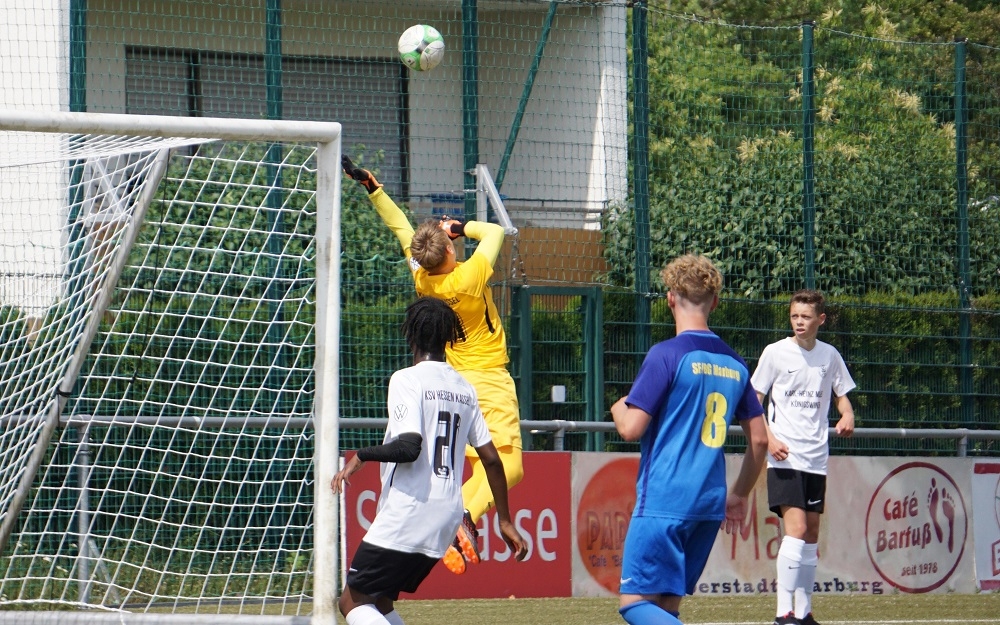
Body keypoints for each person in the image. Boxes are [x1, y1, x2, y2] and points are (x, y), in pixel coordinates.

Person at [342, 156, 523, 575]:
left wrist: (373, 188)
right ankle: (465, 515)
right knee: (509, 466)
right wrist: (460, 226)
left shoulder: (422, 278)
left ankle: (460, 516)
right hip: (488, 378)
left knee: (478, 465)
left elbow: (400, 229)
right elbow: (495, 231)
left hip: (454, 382)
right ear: (451, 250)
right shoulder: (469, 277)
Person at [331, 297, 528, 625]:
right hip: (446, 518)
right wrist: (504, 521)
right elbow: (493, 461)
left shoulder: (407, 379)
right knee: (380, 602)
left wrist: (361, 455)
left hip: (409, 510)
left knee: (351, 602)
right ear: (449, 338)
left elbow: (409, 447)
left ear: (411, 335)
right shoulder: (465, 389)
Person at [610, 254, 769, 625]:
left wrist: (618, 407)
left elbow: (631, 428)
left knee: (634, 604)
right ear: (715, 302)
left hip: (665, 499)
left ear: (670, 298)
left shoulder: (666, 355)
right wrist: (739, 494)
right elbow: (760, 441)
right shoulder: (735, 363)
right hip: (708, 503)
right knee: (666, 607)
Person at [751, 289, 856, 625]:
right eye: (794, 316)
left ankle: (804, 612)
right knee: (795, 530)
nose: (799, 322)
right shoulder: (775, 353)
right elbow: (753, 400)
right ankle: (783, 613)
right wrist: (769, 438)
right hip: (785, 457)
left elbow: (841, 394)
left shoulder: (830, 355)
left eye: (806, 317)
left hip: (816, 458)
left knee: (810, 534)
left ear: (820, 320)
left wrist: (847, 413)